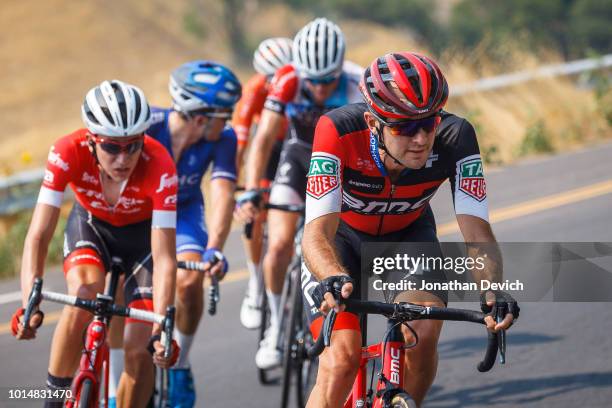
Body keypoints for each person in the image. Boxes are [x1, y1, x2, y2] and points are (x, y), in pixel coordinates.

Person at [300, 52, 521, 407]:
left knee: (424, 330)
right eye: (404, 127)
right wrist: (329, 276)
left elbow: (477, 233)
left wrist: (493, 291)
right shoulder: (337, 130)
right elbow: (316, 233)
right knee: (341, 360)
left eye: (429, 123)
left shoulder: (458, 137)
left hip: (407, 237)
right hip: (340, 240)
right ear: (374, 122)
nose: (420, 139)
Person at [12, 80, 180, 408]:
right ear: (91, 140)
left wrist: (163, 326)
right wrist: (29, 302)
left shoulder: (161, 166)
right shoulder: (66, 151)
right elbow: (38, 235)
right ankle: (54, 399)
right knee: (83, 295)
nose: (123, 157)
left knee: (138, 347)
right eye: (112, 147)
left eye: (133, 145)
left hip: (142, 243)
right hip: (92, 229)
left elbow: (164, 259)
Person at [234, 17, 363, 369]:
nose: (320, 88)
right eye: (313, 80)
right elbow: (262, 141)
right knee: (276, 245)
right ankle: (276, 325)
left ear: (340, 68)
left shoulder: (355, 83)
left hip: (340, 168)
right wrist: (248, 190)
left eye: (327, 80)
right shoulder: (289, 79)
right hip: (298, 159)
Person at [145, 60, 240, 407]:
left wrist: (213, 247)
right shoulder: (149, 127)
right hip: (139, 215)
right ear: (200, 117)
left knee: (188, 280)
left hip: (181, 213)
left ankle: (179, 364)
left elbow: (223, 192)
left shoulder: (224, 139)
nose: (227, 123)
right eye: (223, 115)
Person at [232, 37, 293, 330]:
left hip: (297, 147)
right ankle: (256, 283)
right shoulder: (254, 90)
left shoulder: (301, 84)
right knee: (253, 214)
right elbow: (241, 144)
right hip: (269, 149)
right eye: (274, 77)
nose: (282, 81)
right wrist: (240, 189)